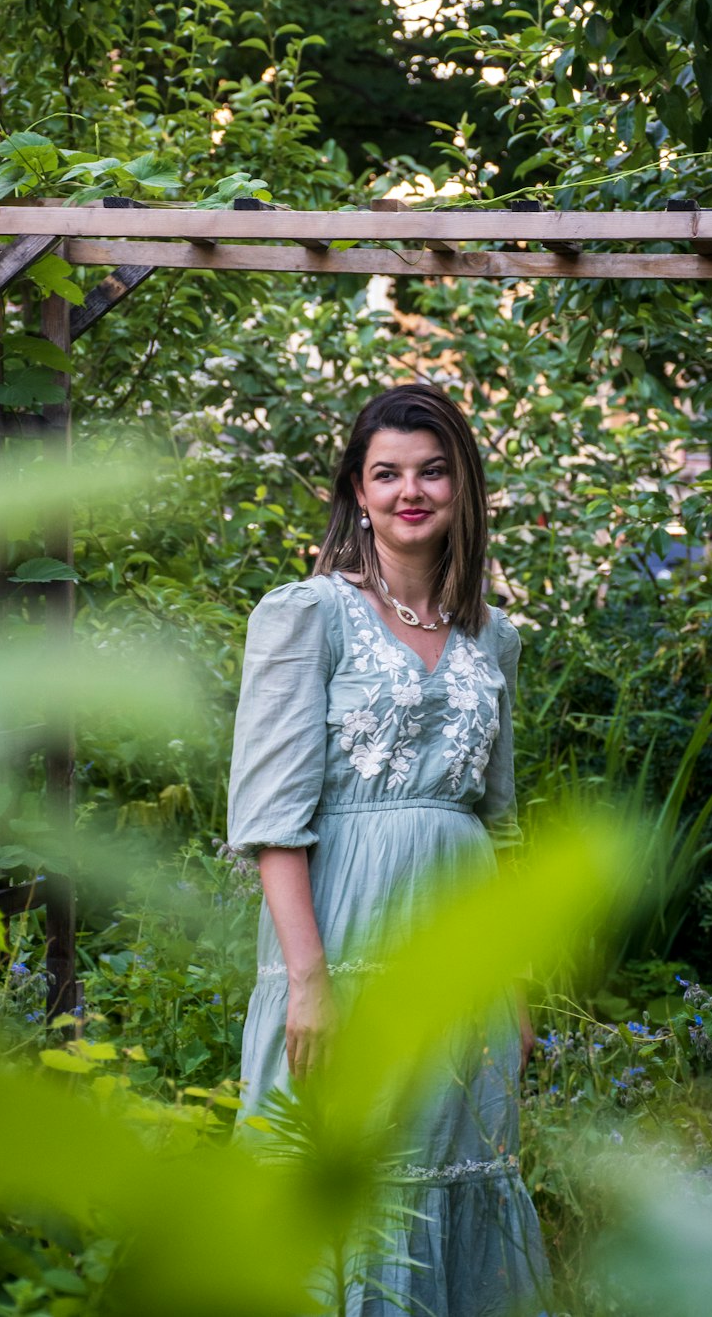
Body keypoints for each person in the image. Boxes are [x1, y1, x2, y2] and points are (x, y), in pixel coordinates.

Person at [227, 382, 551, 1315]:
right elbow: (271, 819)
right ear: (358, 494)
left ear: (462, 488)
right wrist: (308, 981)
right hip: (344, 938)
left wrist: (515, 988)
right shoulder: (308, 615)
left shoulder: (495, 638)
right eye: (387, 474)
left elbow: (502, 820)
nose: (411, 491)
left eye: (432, 471)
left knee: (458, 1171)